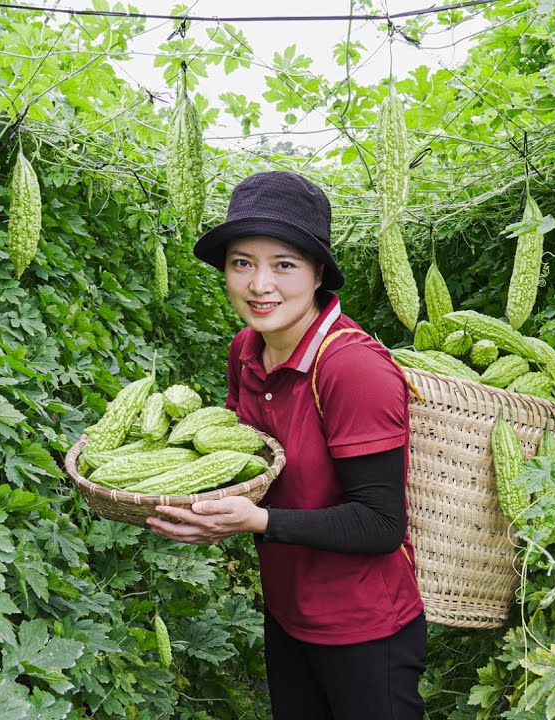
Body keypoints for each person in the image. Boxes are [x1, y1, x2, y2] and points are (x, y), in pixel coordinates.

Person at [146, 171, 426, 720]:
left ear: (318, 272)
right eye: (241, 262)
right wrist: (142, 451)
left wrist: (257, 523)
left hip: (365, 629)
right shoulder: (246, 349)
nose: (259, 284)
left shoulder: (353, 369)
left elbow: (381, 524)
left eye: (284, 264)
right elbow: (240, 460)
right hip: (288, 610)